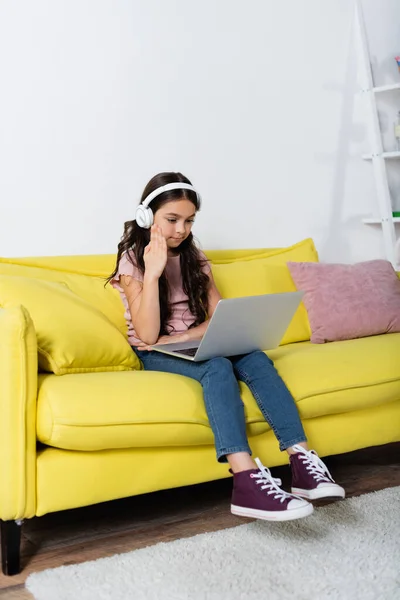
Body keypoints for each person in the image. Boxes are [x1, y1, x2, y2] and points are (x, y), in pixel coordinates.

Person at [107, 171, 345, 522]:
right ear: (147, 217)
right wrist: (154, 271)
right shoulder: (133, 259)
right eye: (171, 219)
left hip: (191, 342)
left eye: (189, 221)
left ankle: (302, 462)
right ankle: (245, 480)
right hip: (152, 352)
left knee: (257, 359)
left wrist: (186, 337)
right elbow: (149, 334)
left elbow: (217, 314)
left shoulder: (194, 257)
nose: (181, 230)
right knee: (217, 366)